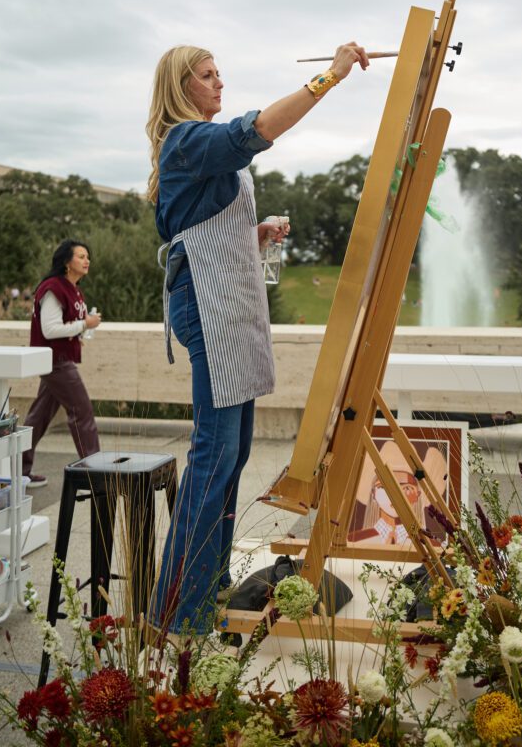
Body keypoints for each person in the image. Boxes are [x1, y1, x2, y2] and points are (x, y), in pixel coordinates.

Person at [147, 42, 368, 636]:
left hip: (229, 309)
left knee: (232, 452)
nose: (220, 83)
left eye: (220, 73)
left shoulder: (198, 144)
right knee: (213, 455)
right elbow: (261, 128)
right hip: (210, 310)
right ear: (180, 86)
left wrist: (256, 228)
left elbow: (211, 222)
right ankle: (180, 613)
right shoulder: (186, 139)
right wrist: (332, 76)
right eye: (207, 75)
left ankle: (208, 586)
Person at [22, 240, 102, 488]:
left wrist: (78, 333)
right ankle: (95, 470)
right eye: (80, 256)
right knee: (82, 411)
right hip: (55, 362)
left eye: (87, 256)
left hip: (57, 359)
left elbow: (62, 327)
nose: (86, 260)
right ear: (67, 262)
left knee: (38, 417)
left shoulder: (73, 288)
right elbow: (49, 329)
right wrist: (84, 325)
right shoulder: (53, 288)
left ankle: (18, 471)